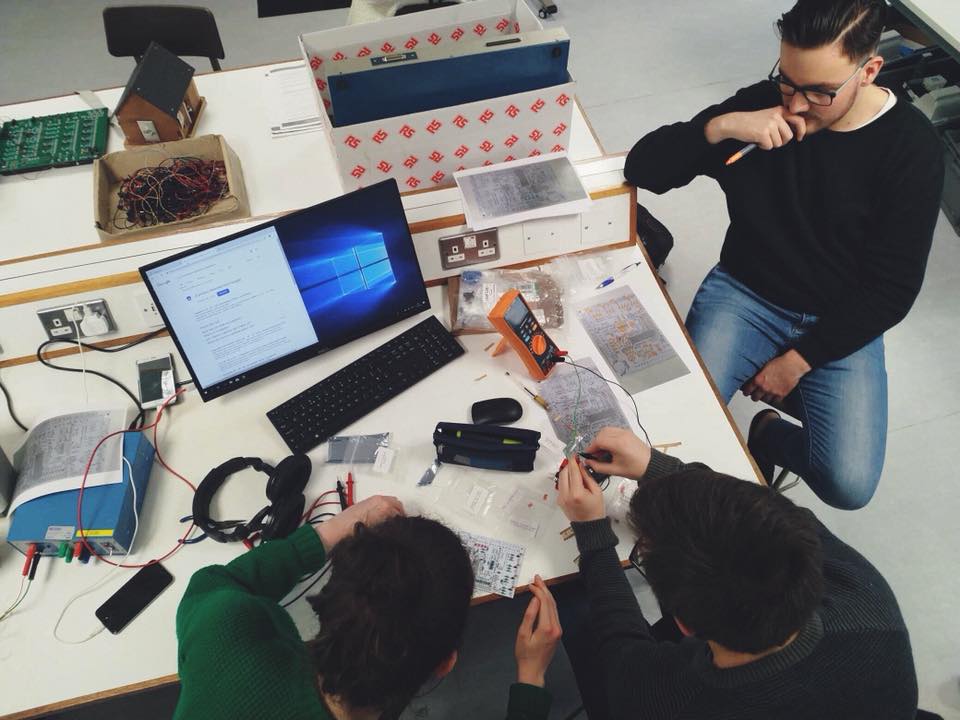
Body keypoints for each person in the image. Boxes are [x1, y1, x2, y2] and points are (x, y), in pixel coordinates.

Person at [623, 0, 944, 509]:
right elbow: (642, 169)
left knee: (848, 484)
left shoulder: (911, 148)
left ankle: (769, 434)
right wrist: (721, 126)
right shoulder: (762, 106)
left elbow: (893, 289)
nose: (796, 105)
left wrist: (797, 362)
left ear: (869, 71)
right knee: (667, 429)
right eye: (788, 81)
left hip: (840, 313)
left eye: (819, 92)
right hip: (745, 294)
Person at [551, 426, 918, 719]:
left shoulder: (665, 701)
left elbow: (619, 649)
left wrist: (593, 534)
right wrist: (657, 466)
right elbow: (773, 510)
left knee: (572, 604)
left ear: (683, 626)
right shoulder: (867, 601)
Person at [173, 494, 563, 720]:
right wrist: (531, 677)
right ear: (445, 663)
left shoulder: (224, 629)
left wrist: (330, 530)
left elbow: (209, 584)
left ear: (329, 600)